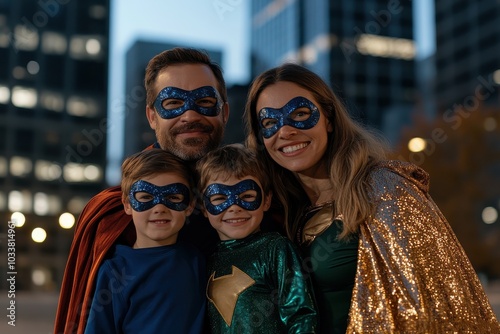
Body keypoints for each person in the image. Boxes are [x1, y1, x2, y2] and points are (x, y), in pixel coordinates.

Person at [244, 63, 500, 333]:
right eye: (270, 123)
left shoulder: (385, 188)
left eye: (300, 113)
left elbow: (440, 302)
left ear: (329, 118)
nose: (285, 131)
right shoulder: (271, 211)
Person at [54, 47, 229, 334]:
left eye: (205, 101)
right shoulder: (108, 212)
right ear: (151, 116)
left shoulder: (259, 199)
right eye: (172, 103)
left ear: (224, 112)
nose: (189, 115)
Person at [195, 144, 317, 333]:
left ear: (266, 200)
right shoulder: (208, 260)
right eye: (219, 198)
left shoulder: (275, 249)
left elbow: (300, 315)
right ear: (204, 207)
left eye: (246, 196)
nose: (234, 207)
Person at [84, 149, 206, 333]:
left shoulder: (198, 260)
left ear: (189, 205)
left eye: (173, 197)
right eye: (146, 197)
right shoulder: (115, 271)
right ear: (127, 204)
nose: (159, 208)